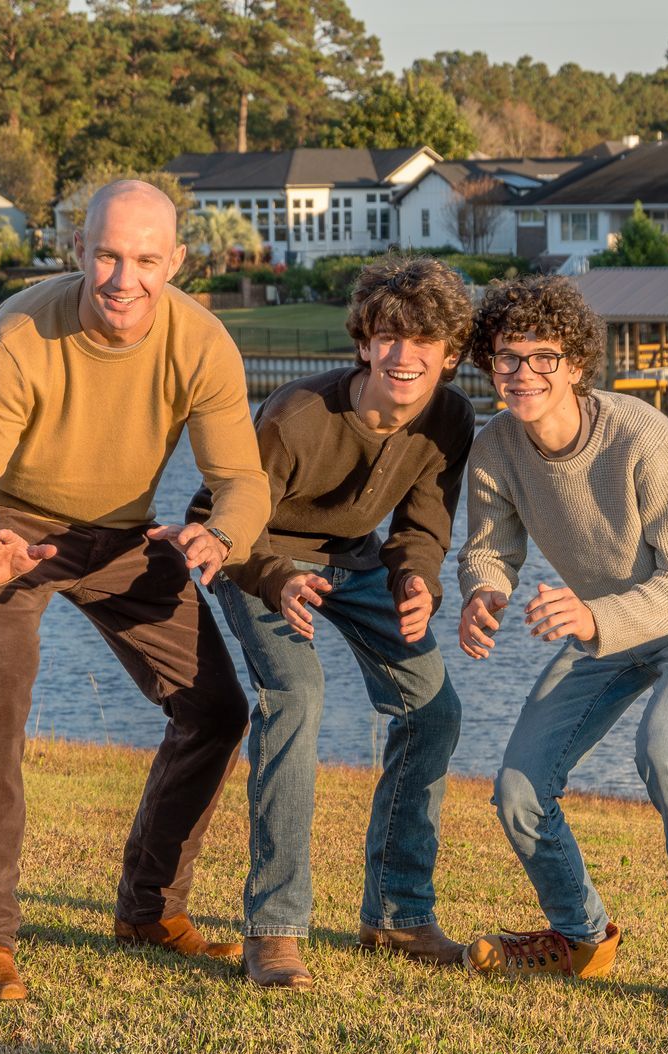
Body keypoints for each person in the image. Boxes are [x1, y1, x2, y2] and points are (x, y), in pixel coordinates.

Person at [0, 179, 271, 1002]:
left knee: (216, 709)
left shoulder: (201, 342)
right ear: (78, 251)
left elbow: (242, 482)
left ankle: (150, 909)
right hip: (8, 527)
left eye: (146, 260)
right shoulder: (21, 331)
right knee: (0, 694)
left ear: (176, 262)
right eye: (108, 256)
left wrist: (220, 536)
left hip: (122, 535)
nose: (125, 279)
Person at [454, 275, 668, 1013]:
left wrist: (593, 619)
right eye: (505, 358)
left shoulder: (641, 435)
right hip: (610, 621)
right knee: (520, 787)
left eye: (542, 357)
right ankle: (582, 938)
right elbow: (491, 549)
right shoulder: (494, 448)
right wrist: (482, 594)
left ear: (578, 364)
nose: (523, 374)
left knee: (666, 749)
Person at [194, 255, 475, 991]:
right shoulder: (297, 417)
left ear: (450, 354)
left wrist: (418, 581)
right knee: (298, 699)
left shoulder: (451, 415)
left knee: (434, 712)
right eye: (389, 336)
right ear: (363, 342)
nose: (403, 356)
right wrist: (278, 579)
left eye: (424, 342)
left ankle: (398, 913)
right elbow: (217, 518)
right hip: (259, 558)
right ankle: (275, 929)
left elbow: (422, 524)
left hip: (358, 563)